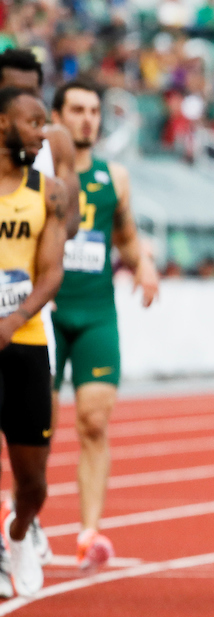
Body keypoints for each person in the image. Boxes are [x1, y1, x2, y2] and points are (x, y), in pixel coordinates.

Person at [48, 80, 159, 570]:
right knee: (36, 427)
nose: (88, 119)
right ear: (55, 116)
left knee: (93, 421)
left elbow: (127, 236)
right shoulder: (33, 174)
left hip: (96, 313)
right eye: (76, 109)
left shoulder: (115, 177)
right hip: (42, 313)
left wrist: (144, 265)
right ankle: (24, 519)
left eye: (94, 110)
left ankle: (88, 532)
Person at [0, 47, 80, 569]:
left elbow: (52, 271)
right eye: (33, 123)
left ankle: (21, 526)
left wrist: (13, 317)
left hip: (24, 338)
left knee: (35, 481)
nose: (42, 133)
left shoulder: (46, 191)